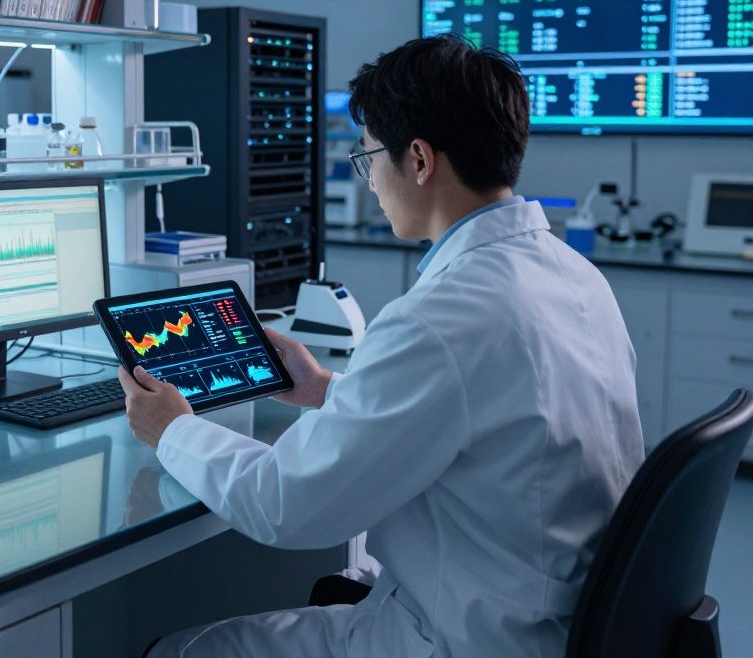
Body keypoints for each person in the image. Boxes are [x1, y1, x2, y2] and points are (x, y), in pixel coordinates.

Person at [118, 34, 645, 658]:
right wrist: (324, 391)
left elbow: (286, 505)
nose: (367, 180)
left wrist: (172, 428)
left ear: (419, 160)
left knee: (179, 652)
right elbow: (494, 418)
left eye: (368, 158)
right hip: (547, 619)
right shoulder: (574, 274)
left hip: (466, 639)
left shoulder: (439, 319)